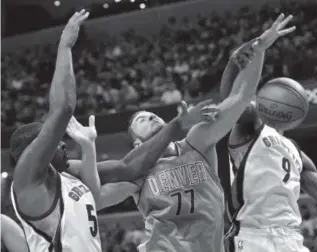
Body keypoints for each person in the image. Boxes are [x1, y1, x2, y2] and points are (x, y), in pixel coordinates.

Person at [96, 14, 294, 252]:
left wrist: (259, 49)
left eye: (153, 114)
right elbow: (96, 201)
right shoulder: (139, 175)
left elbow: (240, 98)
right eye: (141, 119)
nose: (151, 117)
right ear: (137, 144)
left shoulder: (196, 143)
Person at [221, 14, 317, 252]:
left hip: (291, 239)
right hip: (252, 236)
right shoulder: (251, 127)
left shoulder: (296, 152)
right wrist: (249, 53)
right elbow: (231, 101)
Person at [9, 10, 104, 252]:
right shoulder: (27, 181)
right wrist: (65, 47)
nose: (61, 142)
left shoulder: (67, 179)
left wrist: (88, 146)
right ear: (34, 150)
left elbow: (105, 190)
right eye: (52, 140)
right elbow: (62, 109)